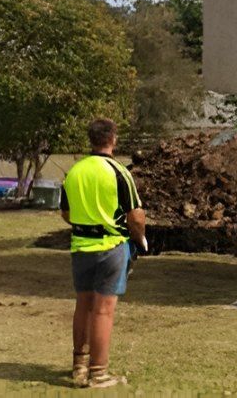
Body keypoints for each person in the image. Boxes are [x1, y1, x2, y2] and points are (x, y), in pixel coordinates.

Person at [60, 118, 146, 388]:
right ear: (113, 139)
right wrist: (139, 237)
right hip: (111, 247)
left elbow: (65, 212)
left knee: (83, 306)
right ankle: (98, 373)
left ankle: (79, 367)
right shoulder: (119, 172)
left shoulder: (75, 171)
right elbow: (136, 215)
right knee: (103, 311)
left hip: (81, 247)